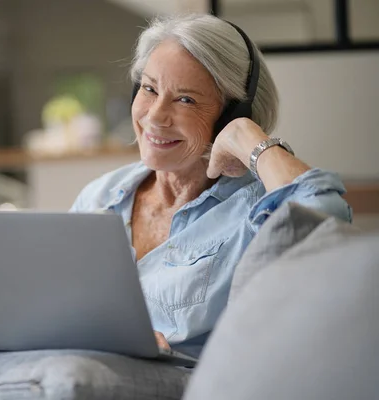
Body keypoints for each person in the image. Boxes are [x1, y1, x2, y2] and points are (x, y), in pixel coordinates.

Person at [70, 14, 352, 355]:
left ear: (232, 114)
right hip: (88, 362)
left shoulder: (258, 206)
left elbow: (327, 223)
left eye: (185, 99)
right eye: (149, 88)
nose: (155, 116)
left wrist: (250, 140)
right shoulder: (101, 195)